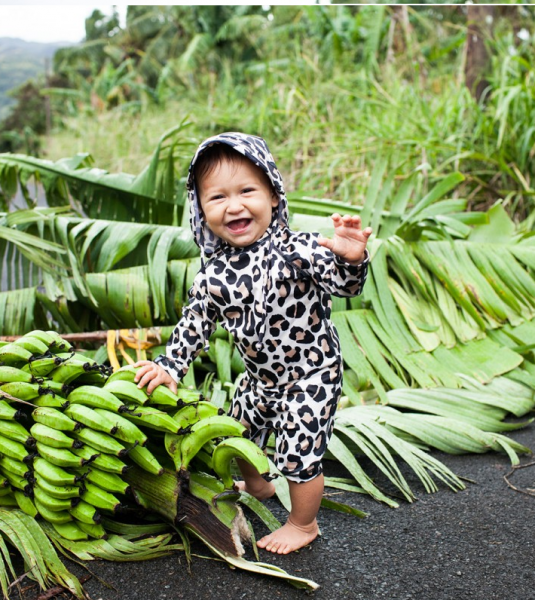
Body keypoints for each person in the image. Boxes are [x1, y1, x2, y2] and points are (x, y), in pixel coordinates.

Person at [134, 132, 371, 554]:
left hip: (311, 372)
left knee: (299, 454)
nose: (234, 205)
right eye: (217, 197)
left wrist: (350, 259)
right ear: (201, 210)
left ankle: (303, 523)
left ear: (274, 197)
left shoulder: (299, 249)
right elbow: (194, 324)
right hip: (260, 378)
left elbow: (344, 286)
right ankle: (260, 485)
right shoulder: (213, 275)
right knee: (238, 431)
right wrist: (170, 366)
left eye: (247, 191)